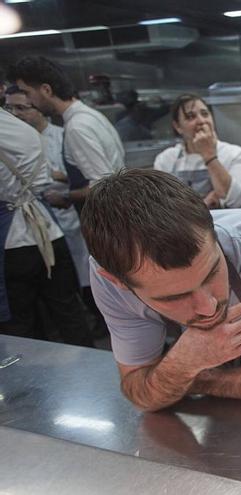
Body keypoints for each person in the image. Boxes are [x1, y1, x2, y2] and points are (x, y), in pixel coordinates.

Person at [80, 169, 241, 411]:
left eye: (212, 272)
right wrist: (184, 363)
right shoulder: (110, 279)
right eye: (175, 297)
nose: (208, 307)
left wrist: (191, 377)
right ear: (118, 282)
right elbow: (140, 393)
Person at [0, 108, 92, 347]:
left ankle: (32, 381)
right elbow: (43, 180)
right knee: (69, 311)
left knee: (21, 324)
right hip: (49, 231)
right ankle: (90, 377)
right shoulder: (24, 131)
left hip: (12, 241)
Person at [9, 56, 124, 210]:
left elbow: (104, 186)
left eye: (27, 93)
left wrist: (66, 196)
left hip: (108, 217)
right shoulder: (88, 115)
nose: (29, 101)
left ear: (46, 90)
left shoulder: (77, 127)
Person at [4, 85, 90, 289]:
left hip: (69, 218)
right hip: (32, 226)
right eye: (9, 109)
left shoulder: (64, 136)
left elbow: (87, 178)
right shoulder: (8, 142)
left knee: (80, 279)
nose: (16, 114)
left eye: (22, 108)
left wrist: (53, 176)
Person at [153, 94, 241, 209]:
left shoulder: (235, 154)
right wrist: (204, 204)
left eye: (205, 114)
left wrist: (209, 155)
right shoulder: (166, 160)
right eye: (190, 117)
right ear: (177, 127)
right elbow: (163, 208)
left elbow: (237, 201)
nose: (201, 121)